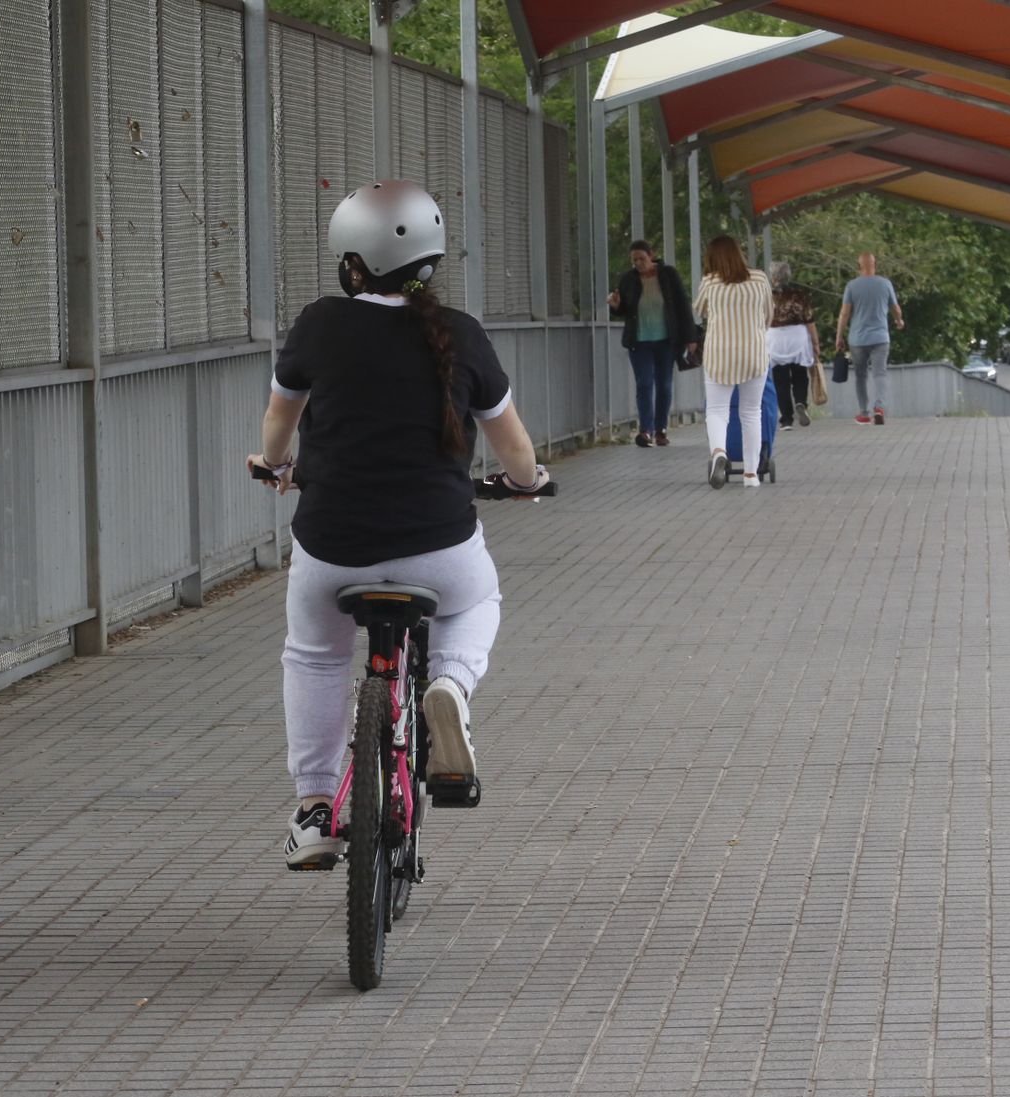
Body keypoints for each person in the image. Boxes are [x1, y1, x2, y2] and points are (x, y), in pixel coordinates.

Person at [246, 180, 549, 867]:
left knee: (315, 656)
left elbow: (277, 423)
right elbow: (516, 450)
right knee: (478, 600)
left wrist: (277, 464)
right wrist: (526, 482)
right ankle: (449, 684)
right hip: (440, 546)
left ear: (354, 263)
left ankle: (315, 806)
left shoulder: (319, 325)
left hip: (333, 548)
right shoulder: (461, 334)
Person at [693, 236, 773, 489]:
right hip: (753, 353)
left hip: (719, 354)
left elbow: (699, 310)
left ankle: (719, 453)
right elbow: (768, 315)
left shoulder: (710, 282)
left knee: (717, 410)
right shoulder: (760, 279)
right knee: (751, 412)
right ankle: (750, 475)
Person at [607, 240, 696, 447]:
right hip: (639, 341)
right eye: (634, 260)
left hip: (666, 340)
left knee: (664, 384)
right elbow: (624, 310)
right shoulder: (628, 279)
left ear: (651, 255)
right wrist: (615, 306)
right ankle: (645, 430)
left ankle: (660, 429)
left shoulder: (668, 275)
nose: (638, 263)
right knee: (644, 383)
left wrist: (690, 337)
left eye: (642, 258)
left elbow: (682, 305)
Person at [836, 252, 905, 425]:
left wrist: (839, 336)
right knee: (880, 373)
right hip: (881, 338)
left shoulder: (852, 286)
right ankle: (879, 407)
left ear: (859, 266)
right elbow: (895, 308)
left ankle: (864, 413)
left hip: (857, 339)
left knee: (860, 376)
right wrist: (899, 321)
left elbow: (844, 314)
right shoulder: (885, 284)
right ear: (875, 265)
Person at [767, 261, 821, 430]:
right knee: (800, 375)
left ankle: (786, 420)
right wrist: (815, 343)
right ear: (788, 276)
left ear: (773, 277)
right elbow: (809, 320)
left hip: (775, 339)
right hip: (797, 337)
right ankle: (800, 402)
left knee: (780, 381)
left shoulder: (767, 296)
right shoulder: (799, 295)